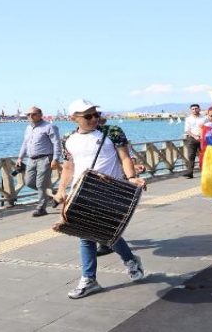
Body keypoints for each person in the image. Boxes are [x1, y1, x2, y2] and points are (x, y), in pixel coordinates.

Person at [55, 99, 147, 299]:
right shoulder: (68, 138)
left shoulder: (112, 132)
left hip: (110, 190)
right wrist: (62, 189)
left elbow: (125, 157)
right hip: (81, 193)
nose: (94, 119)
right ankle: (91, 279)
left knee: (107, 232)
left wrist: (131, 178)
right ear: (74, 119)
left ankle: (127, 263)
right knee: (87, 234)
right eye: (88, 116)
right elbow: (69, 166)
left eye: (95, 114)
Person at [16, 106, 61, 217]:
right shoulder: (28, 128)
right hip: (31, 159)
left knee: (41, 184)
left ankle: (41, 208)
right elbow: (25, 143)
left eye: (33, 114)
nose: (30, 116)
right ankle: (53, 195)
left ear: (41, 115)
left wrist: (55, 159)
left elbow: (57, 143)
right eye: (28, 114)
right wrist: (20, 157)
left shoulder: (49, 127)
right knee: (29, 182)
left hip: (45, 158)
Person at [183, 104, 208, 179]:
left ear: (199, 109)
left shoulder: (204, 118)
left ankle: (206, 172)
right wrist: (195, 136)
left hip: (203, 138)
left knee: (204, 155)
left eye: (196, 108)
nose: (194, 110)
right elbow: (187, 130)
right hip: (192, 138)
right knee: (191, 156)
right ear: (190, 110)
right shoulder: (188, 119)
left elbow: (208, 127)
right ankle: (190, 173)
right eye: (193, 109)